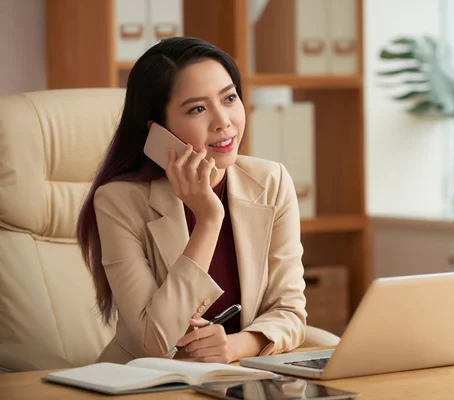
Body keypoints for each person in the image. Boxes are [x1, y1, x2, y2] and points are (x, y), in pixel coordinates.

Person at [77, 37, 307, 364]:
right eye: (198, 108)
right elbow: (155, 340)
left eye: (229, 98)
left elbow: (290, 311)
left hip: (236, 378)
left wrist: (238, 345)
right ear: (157, 130)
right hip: (143, 385)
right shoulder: (118, 202)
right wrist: (209, 219)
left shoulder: (271, 181)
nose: (223, 121)